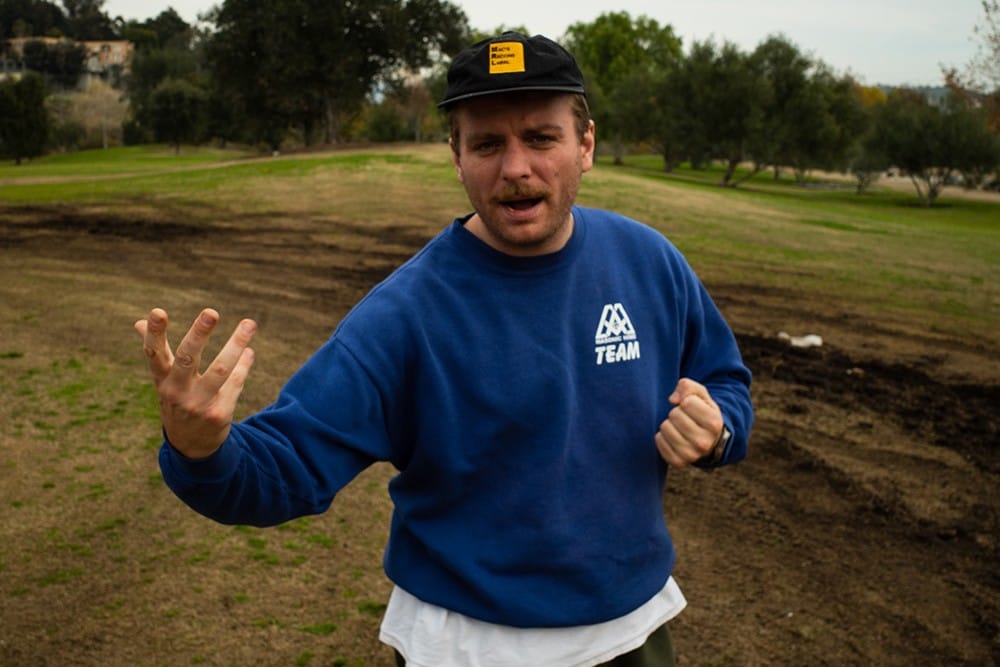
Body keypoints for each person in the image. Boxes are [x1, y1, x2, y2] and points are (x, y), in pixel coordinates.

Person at [134, 31, 753, 667]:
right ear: (456, 156)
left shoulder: (649, 262)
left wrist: (719, 429)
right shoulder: (404, 315)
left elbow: (725, 381)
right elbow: (285, 467)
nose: (516, 168)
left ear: (585, 145)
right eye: (487, 143)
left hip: (634, 633)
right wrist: (200, 448)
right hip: (467, 646)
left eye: (541, 138)